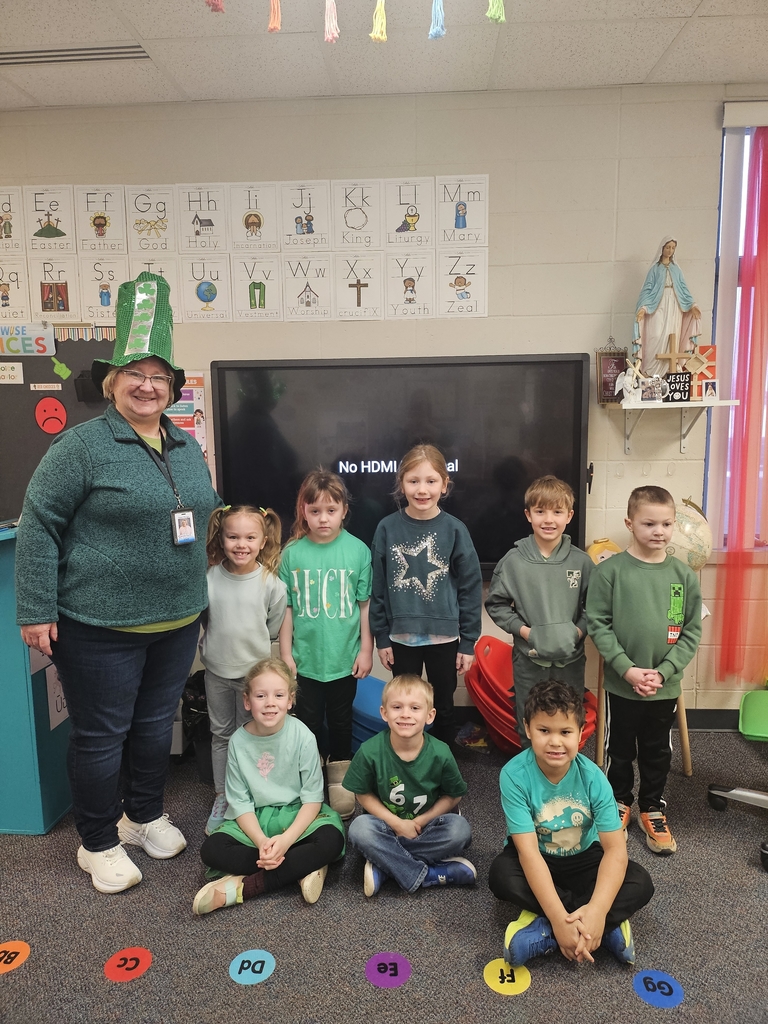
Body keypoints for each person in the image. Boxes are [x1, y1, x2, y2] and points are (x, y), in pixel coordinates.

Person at [15, 272, 221, 894]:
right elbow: (39, 526)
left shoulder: (185, 446)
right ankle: (98, 841)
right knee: (103, 734)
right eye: (135, 373)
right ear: (113, 383)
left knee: (157, 726)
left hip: (177, 618)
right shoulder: (80, 447)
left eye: (159, 376)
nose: (147, 385)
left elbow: (200, 512)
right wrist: (34, 608)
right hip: (99, 626)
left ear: (172, 388)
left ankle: (143, 813)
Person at [488, 680, 654, 968]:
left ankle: (559, 928)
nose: (555, 741)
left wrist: (599, 911)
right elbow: (527, 853)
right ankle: (592, 928)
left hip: (583, 859)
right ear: (528, 729)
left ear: (580, 733)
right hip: (537, 858)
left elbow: (615, 850)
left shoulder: (594, 778)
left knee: (641, 882)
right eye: (544, 731)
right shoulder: (513, 775)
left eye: (565, 732)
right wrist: (561, 916)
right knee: (500, 875)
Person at [586, 486, 702, 854]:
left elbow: (691, 631)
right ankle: (618, 804)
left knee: (656, 752)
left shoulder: (684, 576)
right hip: (623, 686)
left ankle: (652, 808)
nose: (659, 531)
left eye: (666, 523)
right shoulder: (611, 573)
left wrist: (664, 672)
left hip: (663, 688)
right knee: (618, 750)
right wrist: (628, 669)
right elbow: (598, 624)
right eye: (649, 523)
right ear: (630, 523)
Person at [193, 659, 345, 914]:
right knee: (212, 849)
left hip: (298, 814)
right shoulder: (238, 743)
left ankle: (246, 887)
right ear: (247, 701)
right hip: (257, 819)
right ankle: (301, 867)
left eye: (278, 695)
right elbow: (240, 803)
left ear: (290, 700)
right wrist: (262, 841)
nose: (270, 703)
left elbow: (312, 799)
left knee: (332, 839)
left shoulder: (304, 736)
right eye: (261, 695)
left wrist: (285, 841)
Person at [370, 444, 482, 746]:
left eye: (431, 481)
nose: (422, 489)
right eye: (413, 481)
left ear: (444, 485)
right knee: (403, 706)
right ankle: (406, 762)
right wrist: (381, 637)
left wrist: (468, 641)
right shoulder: (387, 528)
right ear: (401, 483)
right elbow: (377, 587)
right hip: (400, 638)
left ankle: (444, 769)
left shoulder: (455, 530)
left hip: (444, 639)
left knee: (443, 706)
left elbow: (471, 588)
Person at [278, 469, 373, 819]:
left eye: (330, 510)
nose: (323, 518)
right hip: (304, 661)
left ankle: (340, 776)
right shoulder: (292, 554)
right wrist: (285, 654)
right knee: (307, 721)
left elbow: (365, 607)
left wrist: (366, 650)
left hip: (343, 659)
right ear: (303, 510)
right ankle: (311, 776)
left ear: (344, 510)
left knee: (341, 719)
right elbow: (285, 610)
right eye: (315, 510)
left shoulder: (358, 551)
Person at [343, 674, 475, 896]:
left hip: (425, 827)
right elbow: (362, 793)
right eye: (397, 707)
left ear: (429, 715)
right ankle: (426, 874)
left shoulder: (441, 752)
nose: (405, 714)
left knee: (460, 830)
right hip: (384, 825)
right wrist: (396, 823)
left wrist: (419, 821)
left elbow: (453, 796)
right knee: (359, 830)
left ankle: (385, 864)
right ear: (384, 713)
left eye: (415, 708)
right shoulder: (369, 751)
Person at [484, 476, 591, 747]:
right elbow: (496, 605)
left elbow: (597, 608)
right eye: (540, 511)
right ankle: (533, 785)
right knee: (530, 724)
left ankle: (565, 784)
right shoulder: (513, 562)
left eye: (557, 512)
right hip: (529, 662)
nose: (548, 519)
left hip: (570, 662)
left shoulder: (581, 561)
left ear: (569, 516)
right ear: (528, 515)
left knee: (568, 722)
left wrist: (576, 632)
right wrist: (527, 633)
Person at [200, 505, 287, 835]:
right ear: (221, 538)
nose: (241, 544)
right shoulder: (208, 579)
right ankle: (224, 796)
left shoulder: (270, 584)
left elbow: (274, 626)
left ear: (263, 540)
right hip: (217, 673)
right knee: (221, 734)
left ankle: (250, 794)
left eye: (250, 537)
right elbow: (207, 620)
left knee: (252, 736)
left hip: (255, 679)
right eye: (233, 536)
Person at [635, 237, 702, 377]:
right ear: (662, 249)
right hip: (657, 305)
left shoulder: (676, 270)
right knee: (656, 334)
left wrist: (692, 305)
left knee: (672, 337)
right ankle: (650, 371)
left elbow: (683, 289)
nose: (670, 250)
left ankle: (669, 372)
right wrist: (643, 308)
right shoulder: (655, 269)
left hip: (675, 306)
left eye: (673, 248)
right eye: (668, 247)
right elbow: (647, 289)